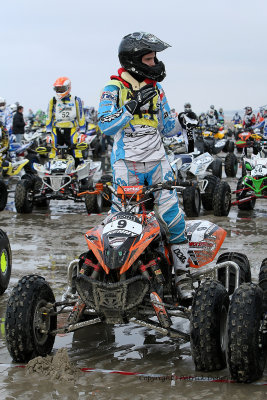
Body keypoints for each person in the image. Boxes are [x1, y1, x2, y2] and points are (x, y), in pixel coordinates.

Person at [98, 31, 194, 302]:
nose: (155, 63)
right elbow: (106, 125)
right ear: (133, 61)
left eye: (154, 58)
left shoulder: (158, 89)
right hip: (126, 166)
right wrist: (130, 106)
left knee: (174, 219)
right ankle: (116, 277)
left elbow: (166, 126)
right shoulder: (113, 89)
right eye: (150, 59)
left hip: (158, 164)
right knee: (121, 224)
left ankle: (183, 275)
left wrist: (183, 121)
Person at [46, 77, 86, 164]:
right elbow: (48, 117)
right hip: (56, 130)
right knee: (53, 152)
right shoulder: (53, 100)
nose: (59, 91)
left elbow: (81, 116)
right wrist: (48, 133)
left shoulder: (76, 100)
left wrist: (82, 132)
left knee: (76, 151)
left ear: (68, 87)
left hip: (71, 130)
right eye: (57, 89)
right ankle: (50, 171)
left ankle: (81, 170)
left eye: (61, 89)